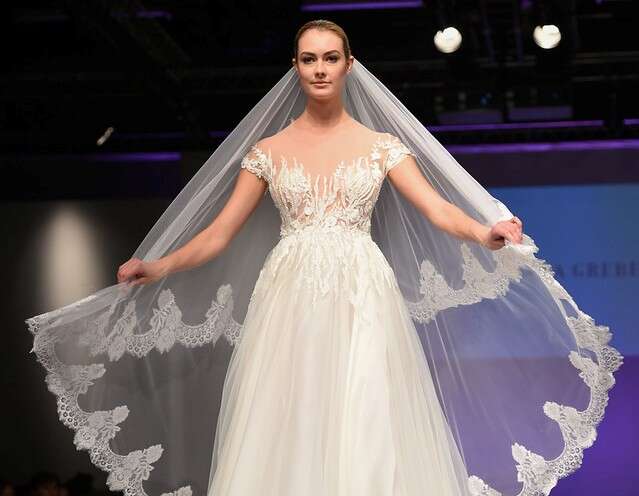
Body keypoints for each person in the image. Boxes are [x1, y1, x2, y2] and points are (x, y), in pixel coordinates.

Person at [27, 19, 623, 496]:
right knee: (289, 415)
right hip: (289, 296)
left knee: (368, 412)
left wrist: (486, 230)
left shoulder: (381, 146)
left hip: (363, 290)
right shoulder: (269, 150)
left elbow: (438, 210)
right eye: (309, 58)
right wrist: (157, 266)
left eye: (330, 58)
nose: (319, 68)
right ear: (296, 67)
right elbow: (218, 235)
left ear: (348, 65)